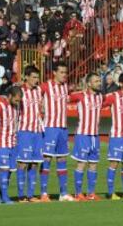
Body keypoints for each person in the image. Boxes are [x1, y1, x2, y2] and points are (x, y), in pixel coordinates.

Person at [39, 62, 75, 202]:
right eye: (61, 72)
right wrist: (40, 108)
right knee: (47, 159)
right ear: (54, 73)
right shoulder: (45, 86)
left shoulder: (65, 87)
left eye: (65, 72)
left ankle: (63, 193)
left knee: (62, 159)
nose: (64, 75)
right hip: (50, 128)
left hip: (63, 128)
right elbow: (34, 97)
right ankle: (43, 193)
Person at [70, 72, 103, 201]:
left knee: (93, 164)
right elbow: (64, 99)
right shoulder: (80, 96)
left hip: (95, 135)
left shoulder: (101, 97)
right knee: (81, 164)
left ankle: (91, 193)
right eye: (96, 81)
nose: (99, 83)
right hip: (83, 134)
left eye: (99, 81)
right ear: (89, 83)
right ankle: (78, 193)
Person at [16, 66, 43, 203]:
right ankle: (21, 196)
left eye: (37, 77)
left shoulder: (38, 90)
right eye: (33, 77)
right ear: (26, 77)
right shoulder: (20, 90)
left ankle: (31, 195)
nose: (36, 80)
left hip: (37, 132)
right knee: (22, 163)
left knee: (35, 163)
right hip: (24, 131)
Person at [0, 86, 22, 204]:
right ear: (9, 96)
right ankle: (5, 197)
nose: (17, 102)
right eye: (16, 100)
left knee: (9, 170)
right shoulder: (0, 107)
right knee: (4, 169)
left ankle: (1, 196)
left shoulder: (16, 107)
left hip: (12, 142)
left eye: (19, 101)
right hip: (1, 142)